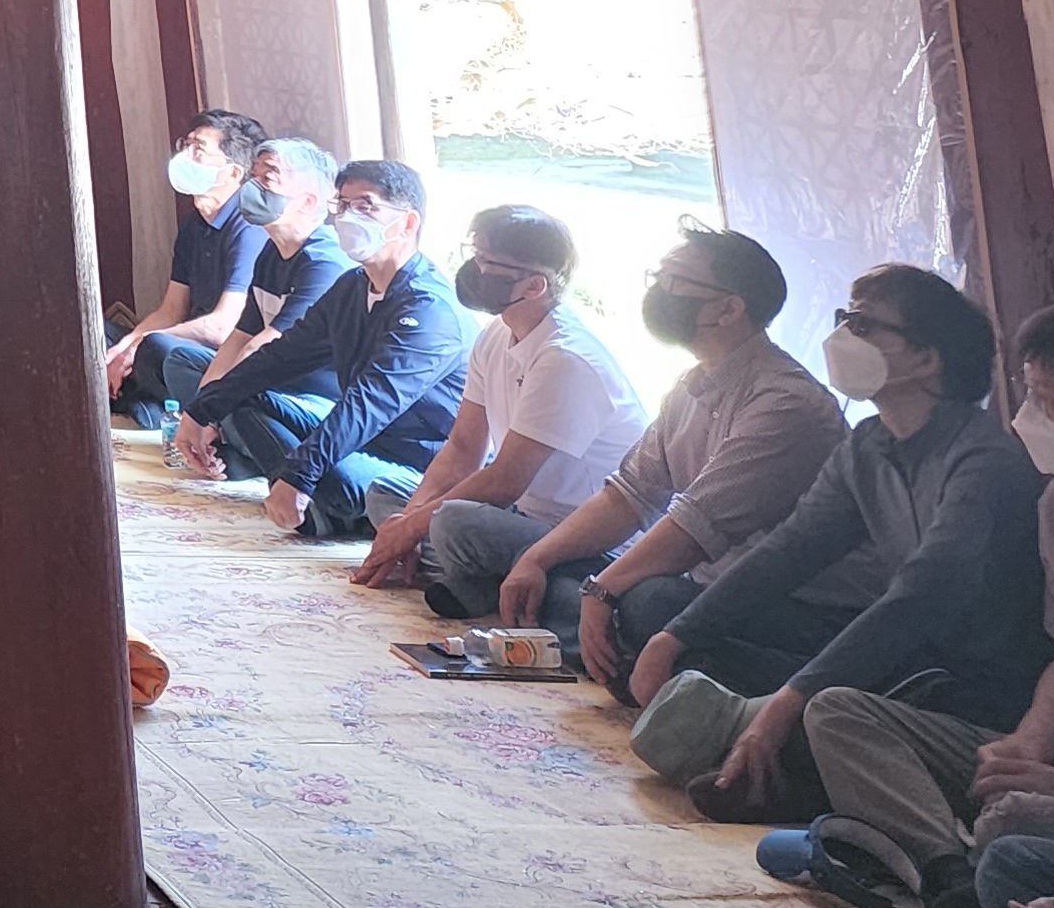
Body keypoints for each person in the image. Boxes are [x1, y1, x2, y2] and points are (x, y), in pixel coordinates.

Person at [633, 265, 1053, 831]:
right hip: (900, 660)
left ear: (926, 359)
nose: (841, 337)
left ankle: (790, 767)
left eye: (863, 325)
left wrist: (791, 699)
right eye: (843, 318)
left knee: (814, 717)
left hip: (968, 687)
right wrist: (674, 635)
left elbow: (924, 595)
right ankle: (776, 754)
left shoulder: (984, 460)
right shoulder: (870, 444)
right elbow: (790, 551)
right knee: (662, 620)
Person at [753, 300, 1054, 908]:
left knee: (1010, 850)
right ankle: (944, 869)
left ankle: (953, 869)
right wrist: (1030, 745)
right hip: (1038, 745)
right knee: (836, 711)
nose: (1034, 422)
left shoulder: (981, 457)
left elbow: (926, 589)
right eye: (1033, 398)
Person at [492, 226, 853, 690]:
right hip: (702, 587)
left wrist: (601, 590)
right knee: (518, 552)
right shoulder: (690, 385)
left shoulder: (787, 402)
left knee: (646, 602)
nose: (659, 291)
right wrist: (536, 561)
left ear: (729, 308)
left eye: (675, 281)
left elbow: (693, 529)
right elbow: (628, 495)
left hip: (798, 607)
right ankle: (619, 651)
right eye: (657, 276)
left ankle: (625, 653)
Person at [362, 204, 649, 612]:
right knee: (387, 493)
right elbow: (463, 447)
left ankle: (490, 582)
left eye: (486, 261)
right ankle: (479, 582)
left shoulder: (565, 358)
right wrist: (405, 524)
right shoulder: (497, 333)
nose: (473, 268)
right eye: (474, 254)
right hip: (519, 515)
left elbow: (505, 480)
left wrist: (412, 528)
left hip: (580, 536)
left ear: (533, 286)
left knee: (454, 522)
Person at [182, 157, 474, 541]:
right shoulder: (352, 287)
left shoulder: (430, 309)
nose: (349, 218)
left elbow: (370, 403)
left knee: (331, 475)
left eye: (366, 206)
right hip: (364, 440)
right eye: (344, 205)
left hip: (418, 461)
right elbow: (281, 355)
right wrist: (200, 409)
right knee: (243, 396)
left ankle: (324, 504)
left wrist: (299, 474)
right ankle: (318, 503)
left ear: (407, 223)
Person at [170, 139, 351, 482]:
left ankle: (258, 459)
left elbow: (261, 349)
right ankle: (238, 450)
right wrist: (200, 409)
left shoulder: (324, 263)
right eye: (253, 177)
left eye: (267, 179)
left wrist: (209, 412)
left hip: (311, 399)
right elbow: (239, 339)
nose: (252, 188)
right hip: (268, 385)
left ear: (308, 202)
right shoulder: (270, 254)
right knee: (180, 360)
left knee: (242, 402)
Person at [103, 110, 269, 432]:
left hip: (216, 355)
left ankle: (145, 405)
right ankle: (144, 403)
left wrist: (140, 343)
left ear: (233, 173)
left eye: (198, 150)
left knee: (157, 349)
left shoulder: (248, 226)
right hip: (183, 341)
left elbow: (222, 327)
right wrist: (125, 345)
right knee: (96, 335)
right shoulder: (194, 225)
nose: (184, 157)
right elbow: (171, 309)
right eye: (185, 145)